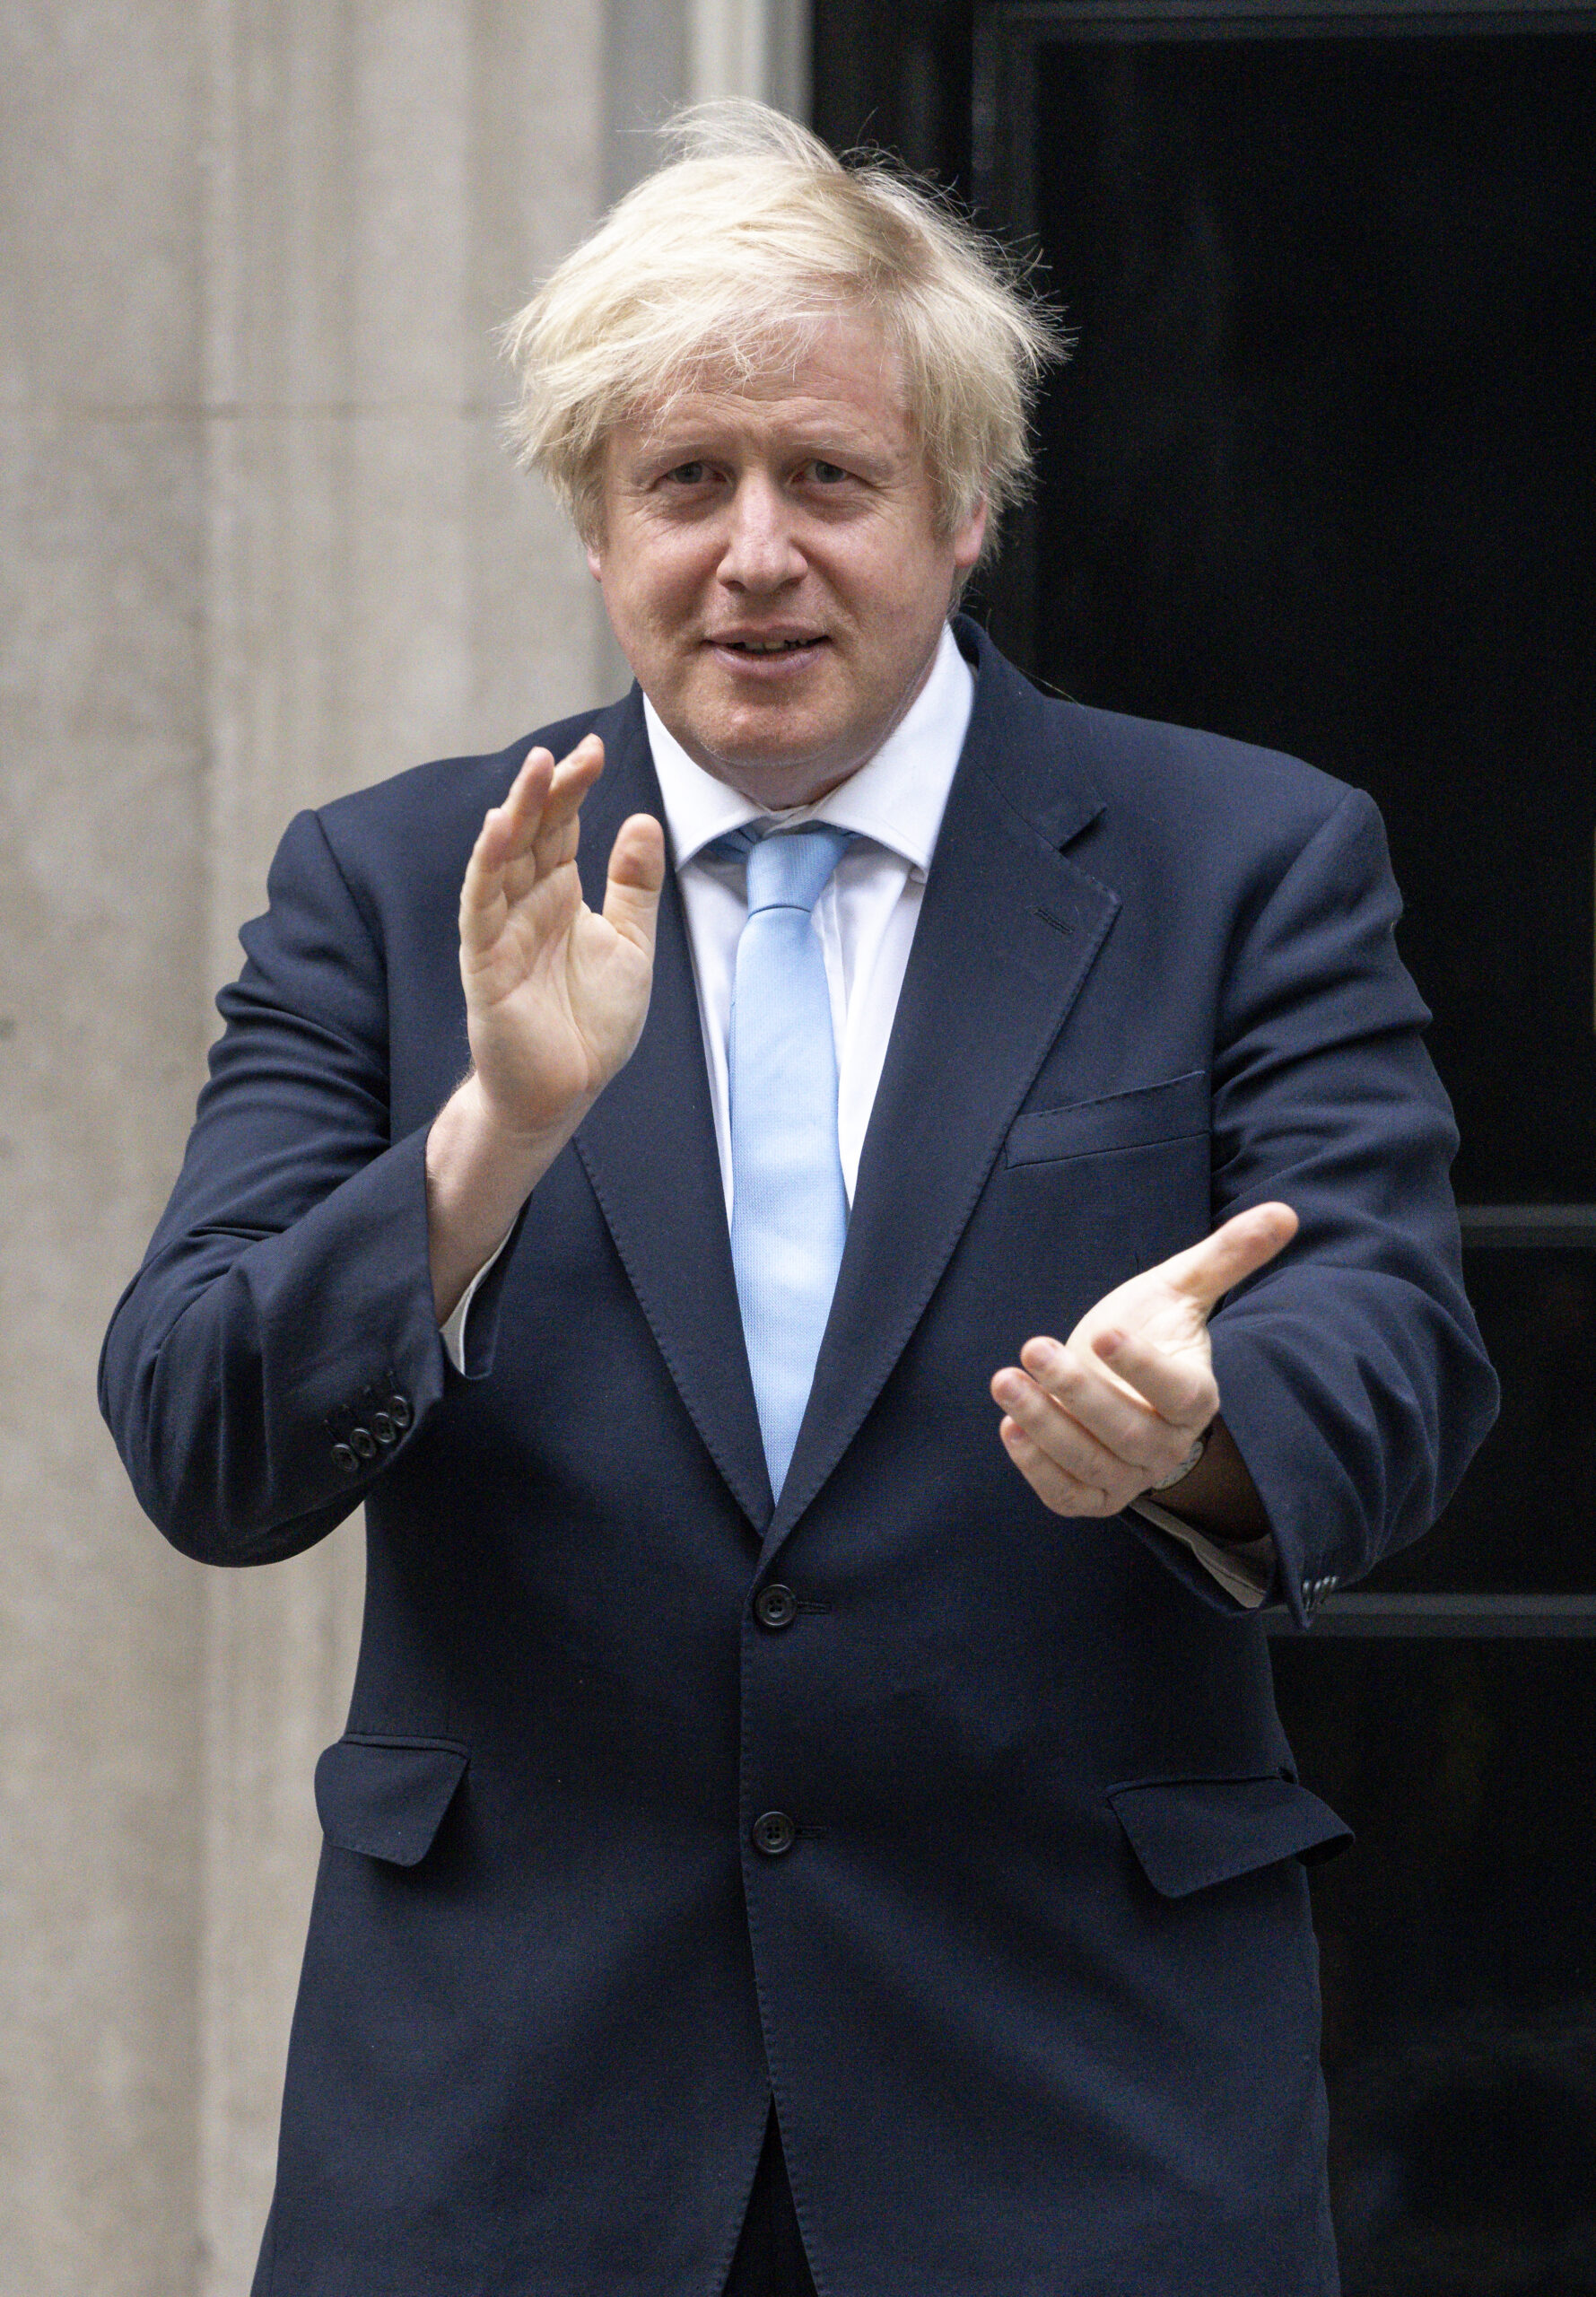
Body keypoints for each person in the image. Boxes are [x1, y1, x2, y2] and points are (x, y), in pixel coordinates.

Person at [100, 103, 1496, 2297]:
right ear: (594, 522)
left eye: (826, 478)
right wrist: (487, 1141)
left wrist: (1200, 1426)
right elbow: (199, 1429)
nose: (754, 552)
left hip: (1071, 2121)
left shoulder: (1242, 860)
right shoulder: (388, 886)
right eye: (685, 480)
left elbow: (1394, 1344)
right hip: (507, 2142)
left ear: (960, 508)